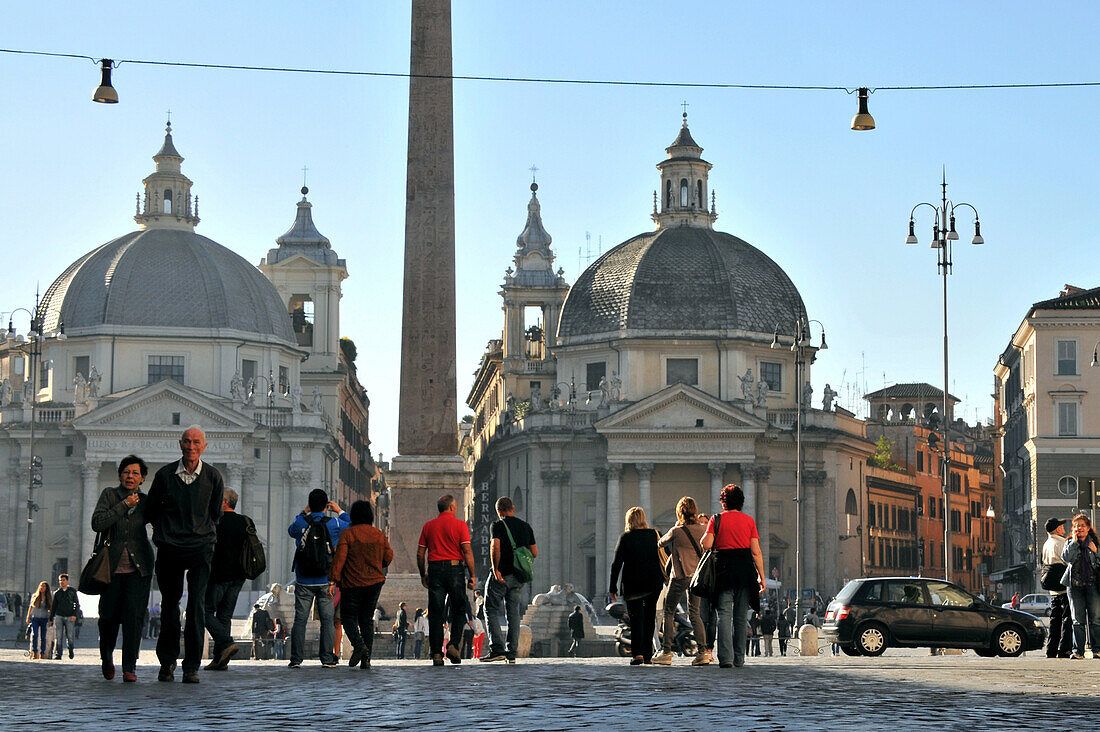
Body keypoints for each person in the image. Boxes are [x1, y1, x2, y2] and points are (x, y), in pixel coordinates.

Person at [145, 426, 225, 684]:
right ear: (180, 444)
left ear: (204, 446)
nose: (191, 447)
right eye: (187, 442)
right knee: (169, 606)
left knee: (196, 606)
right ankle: (167, 663)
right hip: (170, 548)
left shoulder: (213, 477)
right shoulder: (165, 475)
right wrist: (164, 532)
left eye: (196, 442)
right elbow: (152, 510)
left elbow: (215, 513)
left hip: (200, 548)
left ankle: (191, 666)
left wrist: (203, 533)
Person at [91, 455, 155, 682]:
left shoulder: (146, 501)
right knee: (107, 617)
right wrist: (123, 506)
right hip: (110, 568)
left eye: (135, 473)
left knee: (134, 618)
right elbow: (97, 523)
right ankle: (106, 657)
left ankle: (130, 666)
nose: (130, 476)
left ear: (142, 478)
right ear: (120, 475)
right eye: (127, 472)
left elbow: (161, 522)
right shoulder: (109, 495)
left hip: (139, 569)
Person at [700, 484, 766, 669]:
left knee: (723, 615)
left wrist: (704, 537)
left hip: (723, 571)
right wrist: (761, 576)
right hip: (744, 571)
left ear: (723, 502)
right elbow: (756, 552)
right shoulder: (749, 521)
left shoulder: (716, 519)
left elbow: (707, 544)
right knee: (740, 617)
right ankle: (739, 658)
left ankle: (726, 658)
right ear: (741, 501)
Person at [288, 488, 350, 668]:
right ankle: (327, 658)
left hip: (303, 579)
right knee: (327, 621)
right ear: (325, 506)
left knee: (300, 620)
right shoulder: (335, 524)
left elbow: (292, 530)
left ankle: (296, 659)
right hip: (326, 580)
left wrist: (305, 511)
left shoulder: (301, 522)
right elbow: (350, 522)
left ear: (310, 503)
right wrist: (339, 509)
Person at [328, 499, 393, 669]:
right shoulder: (379, 534)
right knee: (366, 619)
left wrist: (333, 580)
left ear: (354, 516)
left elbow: (339, 559)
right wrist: (377, 565)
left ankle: (359, 646)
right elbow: (388, 557)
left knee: (348, 618)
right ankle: (366, 659)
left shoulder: (348, 534)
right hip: (374, 582)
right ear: (370, 516)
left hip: (352, 583)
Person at [417, 494, 477, 666]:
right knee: (459, 608)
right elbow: (467, 552)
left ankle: (436, 653)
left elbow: (420, 553)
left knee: (436, 613)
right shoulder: (460, 525)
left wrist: (423, 574)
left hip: (434, 569)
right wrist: (472, 575)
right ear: (451, 507)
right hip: (455, 569)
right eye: (456, 506)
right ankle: (453, 645)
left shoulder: (428, 526)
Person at [481, 496, 536, 663]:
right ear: (512, 508)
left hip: (502, 574)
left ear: (499, 511)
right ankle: (512, 652)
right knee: (513, 613)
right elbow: (534, 553)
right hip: (519, 577)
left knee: (490, 608)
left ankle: (497, 649)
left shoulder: (497, 525)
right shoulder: (525, 527)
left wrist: (496, 569)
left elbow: (494, 546)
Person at [203, 488, 253, 671]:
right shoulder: (245, 521)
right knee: (224, 616)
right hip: (239, 576)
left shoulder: (215, 521)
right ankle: (219, 659)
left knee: (204, 611)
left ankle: (225, 642)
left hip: (218, 574)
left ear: (224, 502)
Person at [655, 496, 707, 666]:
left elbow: (660, 543)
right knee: (695, 614)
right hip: (697, 577)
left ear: (680, 512)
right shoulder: (704, 529)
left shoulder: (677, 531)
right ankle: (702, 652)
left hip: (680, 576)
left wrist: (675, 528)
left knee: (669, 612)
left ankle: (666, 651)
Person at [609, 506, 665, 666]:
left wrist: (612, 587)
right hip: (653, 584)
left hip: (633, 584)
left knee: (636, 619)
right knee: (649, 618)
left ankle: (637, 654)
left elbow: (616, 564)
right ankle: (648, 654)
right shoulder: (655, 535)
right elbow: (666, 555)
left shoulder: (626, 537)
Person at [1060, 513, 1100, 659]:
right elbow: (1066, 558)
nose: (1080, 528)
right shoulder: (1070, 542)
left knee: (1095, 619)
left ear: (1088, 528)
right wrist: (1074, 543)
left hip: (1093, 585)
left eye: (1083, 526)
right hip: (1074, 586)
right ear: (1073, 529)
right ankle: (1078, 651)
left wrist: (1096, 551)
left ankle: (1097, 650)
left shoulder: (1094, 543)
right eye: (1077, 526)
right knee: (1077, 620)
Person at [1041, 516, 1072, 659]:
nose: (1064, 528)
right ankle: (1064, 649)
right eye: (1061, 526)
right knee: (1067, 619)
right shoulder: (1061, 543)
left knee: (1054, 620)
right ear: (1057, 529)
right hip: (1064, 588)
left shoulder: (1046, 544)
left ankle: (1051, 649)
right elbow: (1068, 561)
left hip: (1052, 589)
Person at [49, 574, 80, 660]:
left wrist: (75, 614)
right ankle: (59, 654)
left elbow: (76, 604)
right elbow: (54, 606)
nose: (61, 582)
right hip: (59, 616)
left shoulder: (72, 591)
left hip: (70, 616)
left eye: (63, 580)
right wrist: (51, 618)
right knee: (58, 636)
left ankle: (70, 650)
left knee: (69, 636)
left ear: (67, 581)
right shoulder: (57, 593)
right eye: (60, 580)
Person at [26, 582, 51, 659]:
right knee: (35, 634)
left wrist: (51, 619)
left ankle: (42, 653)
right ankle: (35, 652)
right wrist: (28, 616)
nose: (42, 588)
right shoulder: (35, 596)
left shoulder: (48, 597)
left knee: (43, 637)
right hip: (35, 618)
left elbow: (51, 609)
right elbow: (31, 607)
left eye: (44, 586)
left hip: (44, 618)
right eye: (41, 586)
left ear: (46, 588)